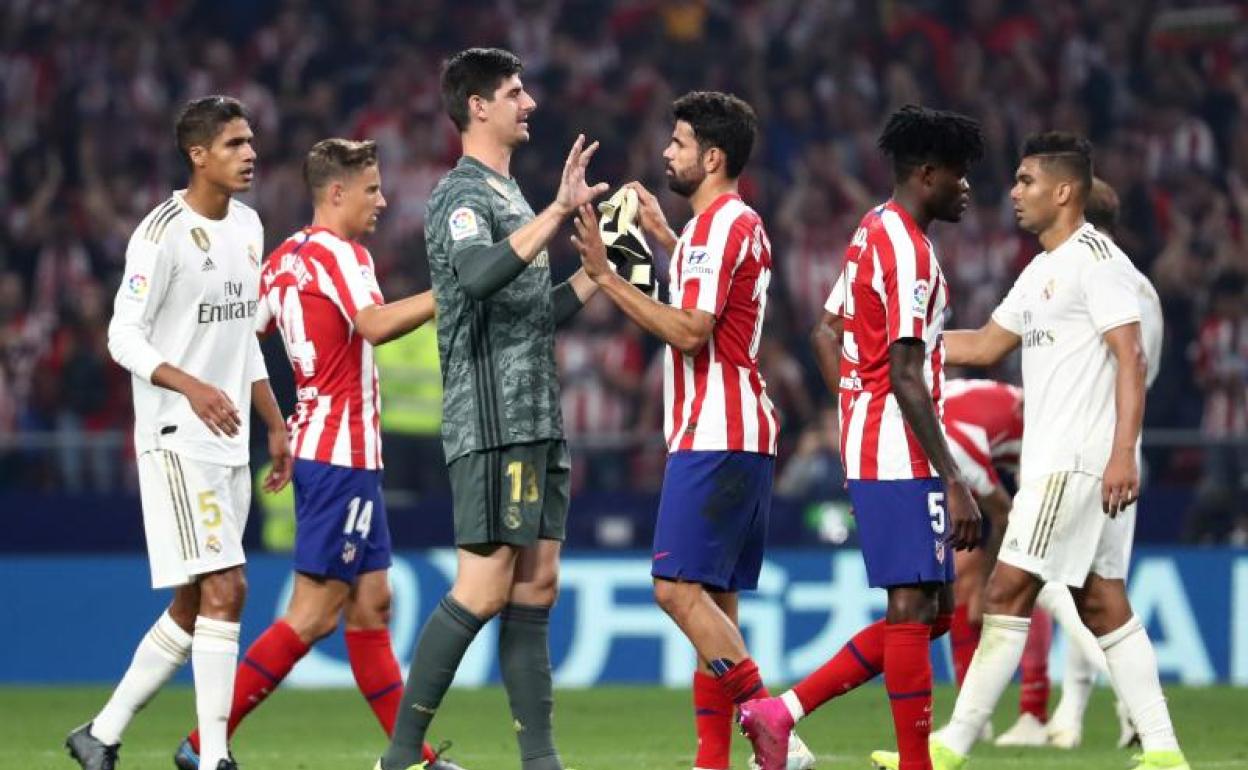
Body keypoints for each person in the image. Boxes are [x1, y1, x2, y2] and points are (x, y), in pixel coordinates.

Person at [874, 133, 1188, 770]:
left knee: (1005, 590)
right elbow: (988, 344)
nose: (1012, 193)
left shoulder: (1096, 262)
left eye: (1025, 181)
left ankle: (950, 745)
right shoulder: (1043, 268)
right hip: (1068, 463)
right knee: (1101, 601)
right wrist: (903, 346)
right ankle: (1163, 750)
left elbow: (1132, 356)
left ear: (1064, 190)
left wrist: (1124, 452)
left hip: (1073, 462)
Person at [171, 139, 463, 769]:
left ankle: (415, 758)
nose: (383, 201)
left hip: (327, 451)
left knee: (371, 605)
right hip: (340, 458)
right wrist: (453, 292)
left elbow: (239, 343)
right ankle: (202, 744)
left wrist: (277, 424)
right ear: (337, 193)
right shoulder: (344, 255)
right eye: (372, 189)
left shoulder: (283, 261)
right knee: (312, 615)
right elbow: (375, 325)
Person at [375, 47, 605, 770]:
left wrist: (601, 275)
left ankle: (541, 761)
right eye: (514, 91)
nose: (529, 102)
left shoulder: (513, 198)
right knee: (481, 588)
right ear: (477, 106)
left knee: (539, 583)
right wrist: (558, 213)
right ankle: (401, 756)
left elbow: (534, 311)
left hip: (538, 416)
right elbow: (475, 278)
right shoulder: (459, 196)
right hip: (492, 418)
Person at [570, 90, 814, 770]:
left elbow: (690, 329)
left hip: (715, 431)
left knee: (675, 590)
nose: (666, 154)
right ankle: (713, 761)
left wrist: (606, 278)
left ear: (712, 157)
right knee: (715, 612)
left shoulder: (716, 230)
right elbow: (721, 302)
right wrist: (664, 242)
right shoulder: (741, 225)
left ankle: (777, 729)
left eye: (677, 144)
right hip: (741, 431)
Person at [738, 104, 986, 770]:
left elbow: (827, 331)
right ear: (927, 173)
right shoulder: (907, 250)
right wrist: (955, 479)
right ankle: (915, 763)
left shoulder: (873, 229)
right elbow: (906, 375)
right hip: (901, 447)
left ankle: (780, 712)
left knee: (930, 609)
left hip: (881, 441)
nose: (967, 189)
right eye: (959, 176)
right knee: (913, 603)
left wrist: (851, 416)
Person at [65, 95, 291, 770]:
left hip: (229, 440)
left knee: (197, 603)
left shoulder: (249, 227)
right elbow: (121, 337)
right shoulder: (159, 235)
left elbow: (244, 339)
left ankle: (100, 734)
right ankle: (215, 756)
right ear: (198, 155)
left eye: (250, 141)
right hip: (172, 437)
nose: (250, 154)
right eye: (233, 144)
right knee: (230, 586)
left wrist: (275, 422)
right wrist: (189, 385)